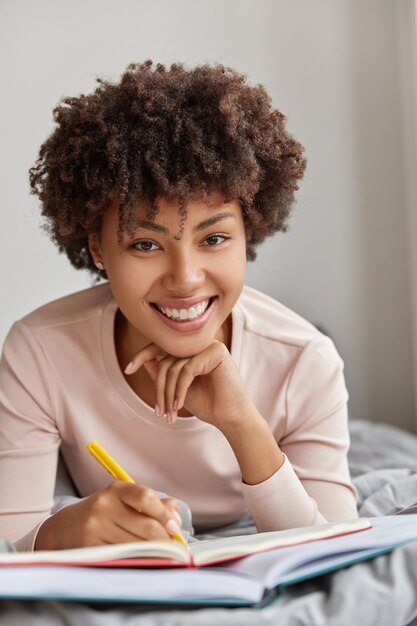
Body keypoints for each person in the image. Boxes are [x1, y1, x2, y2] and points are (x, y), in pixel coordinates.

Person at [0, 61, 358, 552]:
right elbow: (8, 545)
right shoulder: (39, 351)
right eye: (145, 245)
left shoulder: (305, 362)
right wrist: (59, 534)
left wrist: (242, 422)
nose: (185, 279)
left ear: (248, 232)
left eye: (213, 238)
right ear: (99, 249)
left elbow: (333, 553)